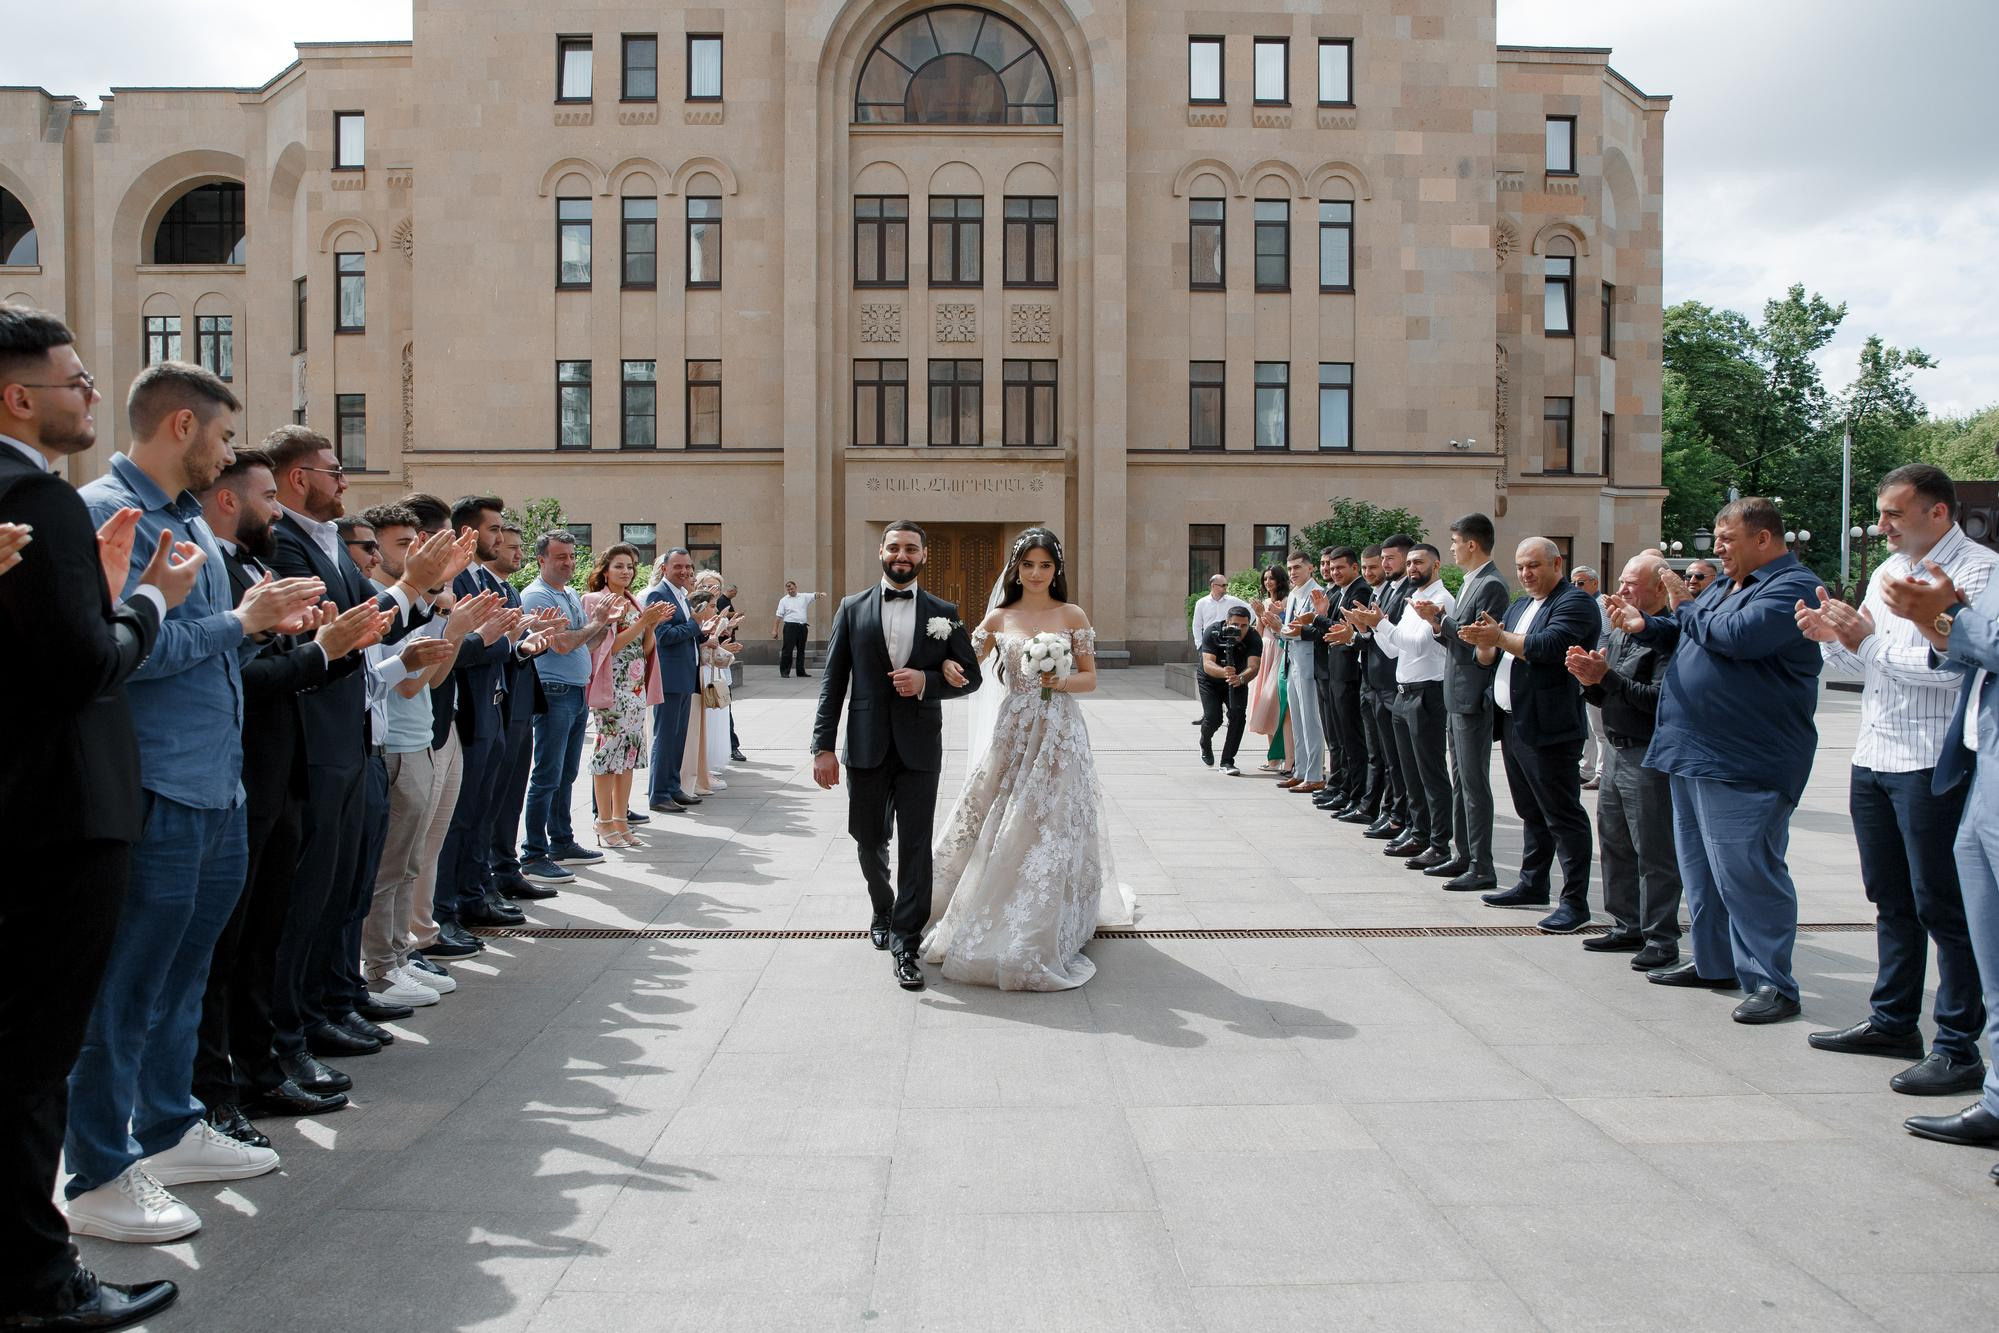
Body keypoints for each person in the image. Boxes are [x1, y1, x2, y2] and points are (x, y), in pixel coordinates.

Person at [68, 364, 330, 1243]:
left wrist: (259, 624)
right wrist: (242, 624)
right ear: (183, 426)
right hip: (159, 784)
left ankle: (169, 1124)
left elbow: (208, 642)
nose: (227, 454)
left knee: (188, 969)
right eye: (221, 436)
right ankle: (100, 1164)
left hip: (215, 782)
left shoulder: (185, 520)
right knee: (128, 982)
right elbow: (129, 650)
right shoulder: (113, 511)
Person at [1, 303, 184, 1331]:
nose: (88, 396)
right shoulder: (34, 492)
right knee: (32, 1063)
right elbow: (81, 667)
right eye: (75, 381)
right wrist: (145, 601)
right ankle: (35, 1284)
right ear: (19, 397)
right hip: (61, 814)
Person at [192, 450, 387, 1143]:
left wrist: (321, 642)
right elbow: (246, 677)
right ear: (226, 501)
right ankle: (215, 1093)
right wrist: (322, 648)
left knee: (261, 937)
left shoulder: (252, 567)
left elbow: (273, 667)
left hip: (281, 776)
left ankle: (259, 1067)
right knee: (225, 948)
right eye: (267, 497)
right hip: (238, 778)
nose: (277, 511)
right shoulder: (211, 569)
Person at [266, 429, 467, 1100]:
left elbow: (366, 628)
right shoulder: (286, 542)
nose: (344, 480)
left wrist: (414, 602)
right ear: (299, 478)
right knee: (309, 901)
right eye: (333, 470)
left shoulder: (322, 540)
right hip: (322, 744)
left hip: (353, 740)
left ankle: (331, 1001)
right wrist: (411, 586)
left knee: (345, 888)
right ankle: (290, 1034)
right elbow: (351, 630)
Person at [1798, 464, 1995, 1096]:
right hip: (1876, 750)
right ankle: (1892, 1020)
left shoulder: (1976, 572)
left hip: (1932, 760)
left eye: (1894, 514)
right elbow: (1866, 657)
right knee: (1890, 896)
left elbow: (1953, 666)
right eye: (1879, 513)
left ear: (1939, 513)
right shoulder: (1887, 572)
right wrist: (1832, 637)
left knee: (1945, 904)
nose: (1880, 526)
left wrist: (1868, 643)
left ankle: (1959, 1044)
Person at [1609, 497, 1824, 1024]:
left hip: (1743, 757)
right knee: (1701, 871)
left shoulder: (1792, 587)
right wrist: (1648, 626)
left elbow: (1737, 638)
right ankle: (1714, 961)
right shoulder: (1735, 587)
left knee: (1747, 871)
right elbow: (1695, 631)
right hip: (1694, 751)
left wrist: (1681, 604)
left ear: (1764, 540)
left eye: (1727, 539)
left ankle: (1773, 982)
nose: (1717, 548)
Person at [923, 527, 1134, 989]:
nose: (1036, 574)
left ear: (1056, 570)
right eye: (1028, 565)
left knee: (1053, 817)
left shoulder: (1071, 613)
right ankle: (987, 894)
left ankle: (1047, 911)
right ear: (1015, 569)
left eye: (1045, 566)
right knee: (1005, 810)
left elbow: (1089, 679)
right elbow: (965, 666)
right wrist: (943, 664)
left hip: (1060, 729)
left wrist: (1057, 681)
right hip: (1014, 727)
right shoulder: (999, 617)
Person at [810, 520, 985, 990]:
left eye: (911, 548)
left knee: (915, 845)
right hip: (865, 743)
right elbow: (833, 684)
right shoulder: (850, 609)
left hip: (919, 746)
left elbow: (972, 676)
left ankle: (906, 939)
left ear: (924, 556)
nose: (902, 555)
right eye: (894, 547)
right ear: (880, 551)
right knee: (868, 839)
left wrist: (929, 680)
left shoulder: (944, 613)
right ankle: (882, 906)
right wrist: (822, 747)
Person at [1883, 543, 1999, 1166]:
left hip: (1967, 772)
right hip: (1982, 771)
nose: (1882, 527)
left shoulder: (1981, 569)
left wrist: (1949, 617)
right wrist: (1940, 626)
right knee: (1990, 954)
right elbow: (1968, 661)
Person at [358, 503, 477, 1009]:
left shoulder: (420, 605)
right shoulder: (383, 604)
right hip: (398, 745)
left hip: (418, 740)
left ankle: (398, 958)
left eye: (416, 543)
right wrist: (453, 632)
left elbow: (431, 678)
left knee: (407, 863)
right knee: (389, 868)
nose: (415, 553)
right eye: (402, 545)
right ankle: (381, 967)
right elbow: (406, 684)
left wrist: (453, 630)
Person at [1462, 537, 1602, 932]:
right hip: (1515, 722)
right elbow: (1492, 654)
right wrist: (1485, 647)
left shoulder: (1575, 602)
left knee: (1562, 815)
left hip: (1551, 727)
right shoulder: (1520, 604)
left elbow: (1549, 646)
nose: (1526, 574)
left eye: (1534, 566)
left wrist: (1497, 639)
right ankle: (1532, 883)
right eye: (1521, 566)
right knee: (1531, 812)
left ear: (1557, 563)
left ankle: (1574, 902)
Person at [1568, 554, 1684, 970]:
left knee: (1652, 848)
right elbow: (1608, 689)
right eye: (1620, 581)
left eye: (1632, 584)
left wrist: (1607, 679)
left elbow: (1659, 700)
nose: (1621, 590)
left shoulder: (1668, 636)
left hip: (1647, 752)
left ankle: (1661, 936)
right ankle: (1626, 922)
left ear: (1659, 589)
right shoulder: (1618, 631)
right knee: (1615, 841)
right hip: (1616, 750)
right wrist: (1589, 680)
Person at [1416, 514, 1509, 891]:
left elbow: (1475, 637)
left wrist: (1439, 618)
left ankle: (1482, 864)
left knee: (1472, 782)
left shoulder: (1491, 584)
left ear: (1472, 544)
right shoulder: (1474, 581)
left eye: (1454, 541)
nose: (1451, 547)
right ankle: (1463, 855)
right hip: (1456, 691)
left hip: (1471, 695)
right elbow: (1459, 637)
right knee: (1460, 781)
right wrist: (1440, 625)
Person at [1349, 542, 1454, 867]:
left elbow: (1420, 645)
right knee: (1409, 772)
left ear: (1435, 566)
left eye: (1418, 562)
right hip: (1405, 691)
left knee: (1430, 773)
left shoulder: (1440, 600)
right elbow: (1396, 649)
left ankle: (1438, 842)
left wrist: (1381, 624)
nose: (1411, 568)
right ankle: (1416, 830)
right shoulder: (1413, 600)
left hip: (1428, 693)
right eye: (1409, 563)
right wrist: (1371, 626)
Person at [520, 529, 614, 873]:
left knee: (566, 773)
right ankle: (533, 852)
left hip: (575, 691)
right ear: (541, 559)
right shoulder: (536, 596)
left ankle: (561, 841)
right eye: (561, 557)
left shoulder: (570, 594)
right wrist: (596, 624)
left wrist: (603, 625)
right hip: (553, 691)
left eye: (572, 556)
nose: (569, 563)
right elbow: (560, 644)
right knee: (547, 774)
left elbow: (586, 642)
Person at [485, 523, 553, 902]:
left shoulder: (508, 589)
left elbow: (512, 648)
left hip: (519, 704)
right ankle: (491, 874)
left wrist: (530, 644)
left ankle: (506, 868)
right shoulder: (480, 588)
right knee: (493, 798)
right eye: (507, 546)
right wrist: (518, 644)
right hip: (499, 706)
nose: (516, 553)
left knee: (511, 793)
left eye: (516, 546)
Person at [585, 544, 668, 846]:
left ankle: (621, 820)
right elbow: (610, 647)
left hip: (634, 689)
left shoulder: (633, 602)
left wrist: (651, 626)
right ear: (605, 570)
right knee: (608, 753)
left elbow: (644, 652)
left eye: (631, 566)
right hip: (612, 688)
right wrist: (643, 624)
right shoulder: (597, 600)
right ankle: (603, 821)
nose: (626, 571)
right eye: (619, 566)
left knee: (629, 755)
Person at [1356, 537, 1415, 839]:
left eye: (1390, 559)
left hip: (1396, 684)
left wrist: (1373, 626)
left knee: (1400, 760)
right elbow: (1380, 637)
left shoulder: (1409, 592)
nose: (1386, 564)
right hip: (1377, 683)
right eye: (1384, 558)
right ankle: (1391, 812)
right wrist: (1362, 632)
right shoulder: (1390, 590)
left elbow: (1394, 643)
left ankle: (1400, 817)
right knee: (1388, 757)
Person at [646, 547, 712, 812]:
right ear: (664, 568)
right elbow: (664, 637)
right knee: (665, 738)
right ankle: (659, 794)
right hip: (669, 678)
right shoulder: (658, 594)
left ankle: (673, 788)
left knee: (678, 738)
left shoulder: (682, 595)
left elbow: (685, 633)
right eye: (678, 567)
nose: (684, 571)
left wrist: (703, 632)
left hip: (684, 676)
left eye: (688, 567)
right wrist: (695, 624)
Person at [1313, 548, 1374, 814]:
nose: (1334, 572)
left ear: (1354, 568)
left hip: (1349, 675)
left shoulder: (1359, 591)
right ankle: (1345, 788)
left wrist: (1320, 616)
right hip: (1336, 674)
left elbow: (1340, 631)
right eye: (1331, 568)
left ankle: (1354, 793)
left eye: (1340, 568)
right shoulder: (1341, 591)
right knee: (1340, 738)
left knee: (1353, 740)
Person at [1275, 551, 1327, 794]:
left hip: (1308, 662)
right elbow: (1291, 629)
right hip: (1292, 659)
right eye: (1290, 568)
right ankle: (1301, 770)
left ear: (1310, 568)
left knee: (1310, 719)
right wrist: (1281, 628)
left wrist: (1281, 628)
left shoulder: (1317, 593)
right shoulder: (1294, 593)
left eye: (1297, 567)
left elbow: (1305, 629)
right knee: (1296, 718)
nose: (1293, 572)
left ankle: (1315, 773)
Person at [1198, 602, 1262, 773]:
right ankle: (1205, 741)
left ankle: (1227, 761)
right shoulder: (1213, 632)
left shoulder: (1253, 637)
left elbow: (1254, 666)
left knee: (1238, 715)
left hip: (1238, 679)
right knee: (1213, 718)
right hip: (1210, 680)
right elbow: (1208, 664)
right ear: (1226, 622)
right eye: (1234, 625)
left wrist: (1240, 678)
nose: (1239, 630)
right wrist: (1225, 673)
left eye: (1244, 625)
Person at [1246, 564, 1290, 772]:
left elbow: (1282, 629)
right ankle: (1273, 757)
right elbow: (1258, 631)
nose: (1268, 582)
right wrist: (1260, 614)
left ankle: (1286, 755)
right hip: (1266, 649)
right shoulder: (1264, 602)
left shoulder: (1287, 601)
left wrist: (1272, 615)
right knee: (1265, 703)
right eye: (1265, 579)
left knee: (1276, 701)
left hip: (1280, 651)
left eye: (1271, 578)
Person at [1571, 565, 1611, 788]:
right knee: (1588, 725)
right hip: (1582, 672)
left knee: (1599, 727)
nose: (1576, 587)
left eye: (1581, 583)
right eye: (1573, 583)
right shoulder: (1583, 604)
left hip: (1597, 672)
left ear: (1595, 583)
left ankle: (1601, 772)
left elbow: (1605, 636)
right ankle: (1586, 769)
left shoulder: (1600, 605)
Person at [1192, 573, 1248, 726]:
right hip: (1209, 646)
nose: (1225, 588)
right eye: (1222, 585)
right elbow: (1197, 625)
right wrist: (1200, 644)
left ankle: (1231, 712)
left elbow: (1250, 612)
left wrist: (1242, 635)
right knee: (1206, 677)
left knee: (1229, 676)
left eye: (1226, 585)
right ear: (1213, 586)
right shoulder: (1202, 603)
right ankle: (1208, 712)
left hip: (1228, 645)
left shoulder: (1233, 602)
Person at [774, 579, 820, 677]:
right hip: (790, 627)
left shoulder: (803, 597)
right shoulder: (784, 600)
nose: (790, 591)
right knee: (787, 650)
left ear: (796, 587)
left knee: (801, 650)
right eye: (788, 590)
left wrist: (821, 594)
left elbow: (814, 595)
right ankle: (785, 672)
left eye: (792, 589)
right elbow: (778, 616)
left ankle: (801, 671)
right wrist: (775, 630)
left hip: (802, 627)